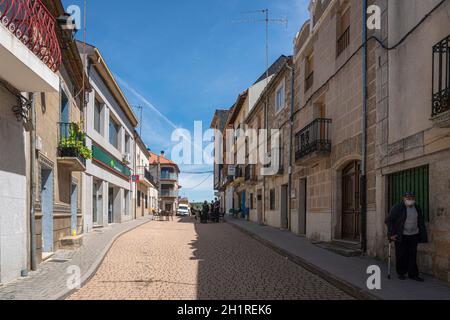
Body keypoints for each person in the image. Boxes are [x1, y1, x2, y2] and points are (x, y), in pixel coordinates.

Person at [385, 192, 428, 282]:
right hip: (401, 235)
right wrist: (391, 233)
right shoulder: (397, 207)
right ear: (403, 198)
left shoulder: (417, 207)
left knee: (412, 255)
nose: (410, 199)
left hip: (413, 235)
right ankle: (401, 273)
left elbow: (420, 220)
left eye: (412, 197)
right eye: (408, 197)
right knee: (401, 255)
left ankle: (413, 274)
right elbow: (389, 220)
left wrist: (422, 234)